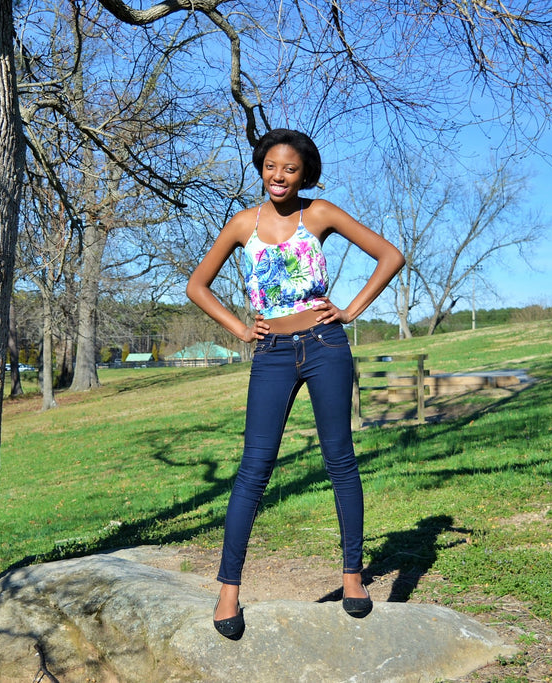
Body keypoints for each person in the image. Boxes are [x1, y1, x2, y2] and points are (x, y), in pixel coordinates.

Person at [186, 128, 405, 639]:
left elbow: (390, 256)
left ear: (304, 174)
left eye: (289, 168)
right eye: (270, 167)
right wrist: (242, 330)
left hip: (326, 346)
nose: (278, 176)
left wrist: (350, 311)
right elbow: (197, 285)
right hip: (272, 354)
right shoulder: (242, 223)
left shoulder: (319, 213)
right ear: (260, 169)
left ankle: (353, 577)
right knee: (254, 468)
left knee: (340, 460)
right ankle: (228, 590)